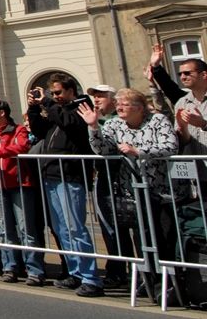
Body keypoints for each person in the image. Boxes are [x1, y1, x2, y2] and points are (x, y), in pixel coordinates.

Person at [78, 88, 184, 300]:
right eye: (117, 104)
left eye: (123, 104)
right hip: (133, 191)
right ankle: (150, 281)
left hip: (161, 190)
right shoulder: (114, 123)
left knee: (163, 238)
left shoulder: (158, 120)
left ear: (138, 107)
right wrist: (92, 127)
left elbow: (170, 147)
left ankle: (171, 285)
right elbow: (103, 150)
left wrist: (138, 151)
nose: (118, 108)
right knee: (142, 239)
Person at [27, 73, 103, 297]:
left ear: (71, 91)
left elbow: (68, 124)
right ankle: (75, 271)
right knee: (62, 229)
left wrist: (48, 103)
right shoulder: (56, 110)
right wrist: (33, 109)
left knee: (75, 228)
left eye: (59, 93)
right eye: (53, 93)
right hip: (51, 174)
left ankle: (91, 277)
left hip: (70, 175)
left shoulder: (81, 108)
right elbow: (41, 131)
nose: (55, 97)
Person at [0, 99, 45, 285]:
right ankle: (9, 267)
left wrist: (0, 152)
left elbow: (22, 145)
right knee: (4, 229)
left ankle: (34, 269)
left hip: (19, 184)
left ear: (2, 113)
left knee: (25, 228)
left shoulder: (18, 129)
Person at [85, 85, 127, 287]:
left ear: (113, 99)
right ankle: (116, 271)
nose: (97, 100)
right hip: (103, 176)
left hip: (125, 177)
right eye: (95, 96)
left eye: (101, 96)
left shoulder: (120, 120)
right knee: (109, 227)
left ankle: (144, 273)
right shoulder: (94, 120)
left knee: (134, 227)